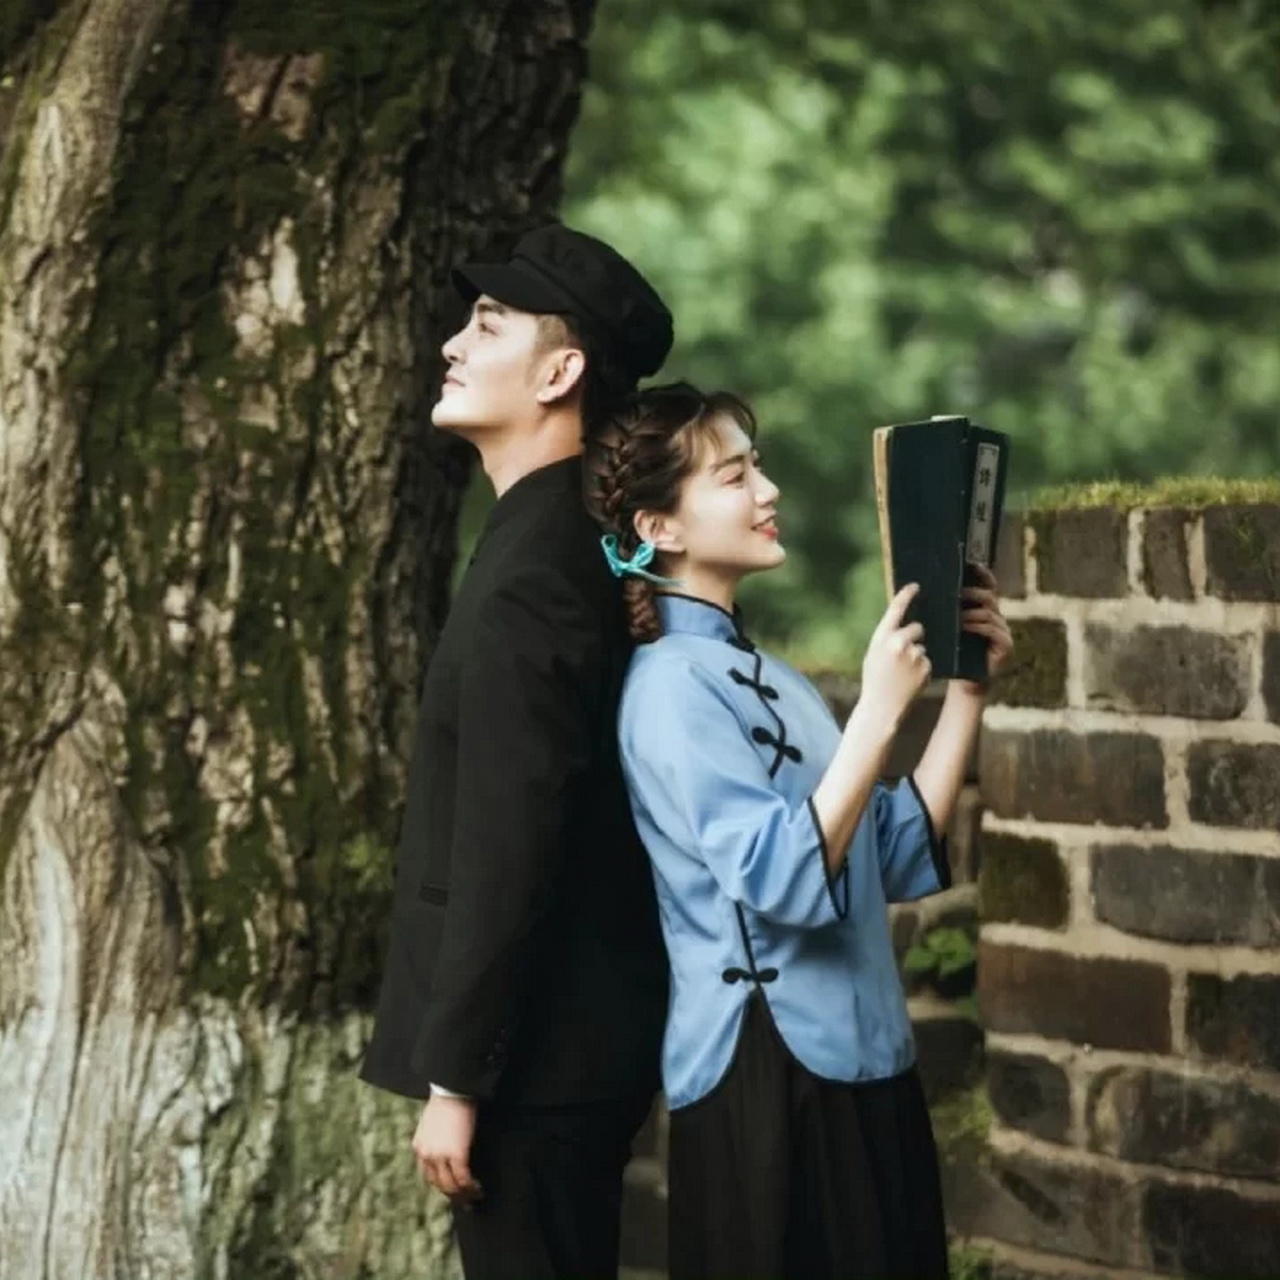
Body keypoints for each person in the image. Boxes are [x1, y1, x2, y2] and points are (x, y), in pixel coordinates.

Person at [583, 382, 1014, 1280]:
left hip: (869, 1057)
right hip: (765, 1075)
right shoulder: (666, 688)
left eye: (760, 467)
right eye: (735, 475)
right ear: (659, 527)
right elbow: (780, 879)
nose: (768, 490)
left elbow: (893, 852)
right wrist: (876, 716)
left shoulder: (777, 679)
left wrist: (967, 691)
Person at [360, 224, 673, 1280]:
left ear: (559, 373)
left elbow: (512, 840)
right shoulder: (573, 543)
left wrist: (459, 1081)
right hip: (571, 1052)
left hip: (535, 1070)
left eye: (488, 325)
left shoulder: (538, 569)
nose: (453, 343)